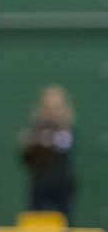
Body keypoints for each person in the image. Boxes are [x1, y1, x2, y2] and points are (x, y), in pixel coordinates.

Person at [20, 85, 76, 223]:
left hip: (61, 190)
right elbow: (27, 159)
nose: (52, 111)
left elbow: (64, 146)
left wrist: (45, 141)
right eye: (49, 106)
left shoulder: (68, 130)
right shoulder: (35, 129)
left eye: (56, 106)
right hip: (39, 189)